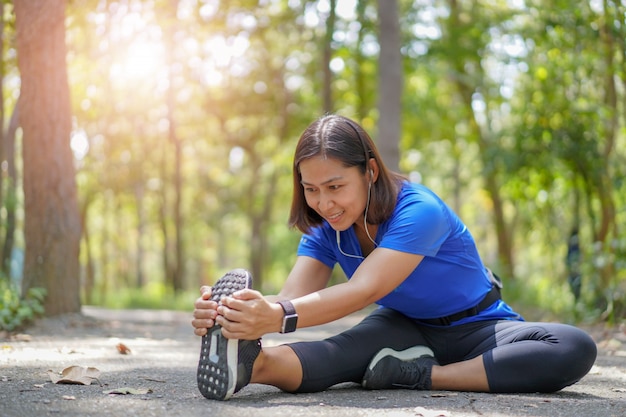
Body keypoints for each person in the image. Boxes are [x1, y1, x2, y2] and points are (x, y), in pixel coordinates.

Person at [191, 114, 597, 401]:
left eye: (335, 186)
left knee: (572, 346)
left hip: (481, 327)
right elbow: (290, 298)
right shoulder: (325, 226)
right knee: (339, 352)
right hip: (405, 329)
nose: (324, 203)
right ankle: (252, 366)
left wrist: (276, 316)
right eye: (311, 189)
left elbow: (366, 288)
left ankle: (421, 376)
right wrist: (244, 316)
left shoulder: (419, 209)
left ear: (369, 171)